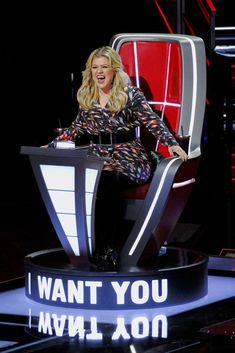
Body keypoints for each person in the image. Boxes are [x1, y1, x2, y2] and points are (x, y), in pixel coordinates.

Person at [47, 46, 188, 268]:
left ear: (114, 70)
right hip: (97, 155)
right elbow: (75, 129)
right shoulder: (87, 97)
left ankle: (109, 250)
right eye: (95, 68)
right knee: (87, 180)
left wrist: (171, 143)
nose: (99, 72)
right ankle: (89, 249)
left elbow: (152, 121)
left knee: (106, 181)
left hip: (128, 154)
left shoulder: (130, 95)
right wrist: (52, 145)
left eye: (104, 67)